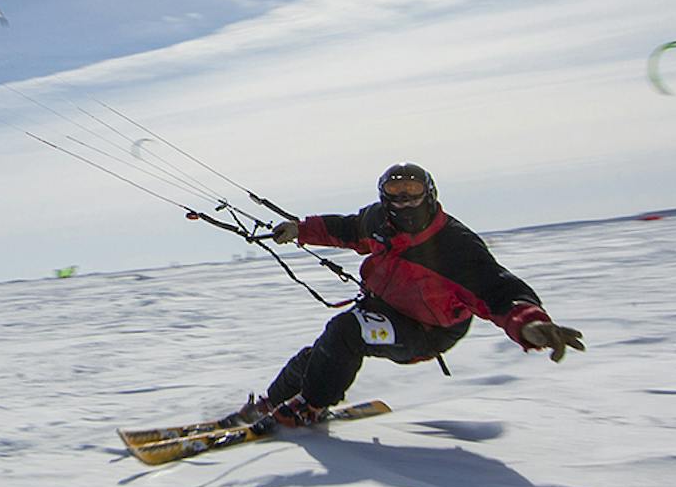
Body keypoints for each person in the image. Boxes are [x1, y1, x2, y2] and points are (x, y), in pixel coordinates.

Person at [224, 162, 585, 428]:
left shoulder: (455, 247)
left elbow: (500, 290)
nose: (405, 199)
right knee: (319, 355)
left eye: (413, 191)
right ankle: (269, 404)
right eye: (396, 193)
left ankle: (310, 407)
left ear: (429, 193)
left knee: (345, 332)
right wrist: (299, 229)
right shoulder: (380, 221)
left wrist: (531, 326)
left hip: (426, 333)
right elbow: (345, 228)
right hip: (386, 311)